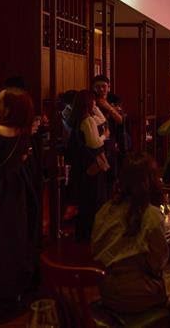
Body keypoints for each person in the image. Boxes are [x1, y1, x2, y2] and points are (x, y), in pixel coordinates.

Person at [0, 88, 39, 303]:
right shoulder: (24, 131)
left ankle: (0, 282)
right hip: (20, 185)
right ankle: (19, 280)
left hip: (0, 188)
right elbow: (23, 158)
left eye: (1, 101)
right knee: (18, 232)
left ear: (10, 108)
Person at [91, 152, 170, 314]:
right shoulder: (151, 215)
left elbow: (95, 250)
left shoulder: (105, 210)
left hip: (106, 291)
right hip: (137, 294)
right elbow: (157, 264)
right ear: (151, 181)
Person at [67, 90, 110, 240]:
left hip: (82, 166)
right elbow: (94, 143)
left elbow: (102, 119)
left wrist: (95, 108)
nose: (95, 103)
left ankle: (85, 233)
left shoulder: (79, 119)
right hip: (92, 164)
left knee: (86, 200)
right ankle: (92, 233)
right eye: (93, 101)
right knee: (94, 199)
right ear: (88, 103)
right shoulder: (88, 121)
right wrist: (104, 136)